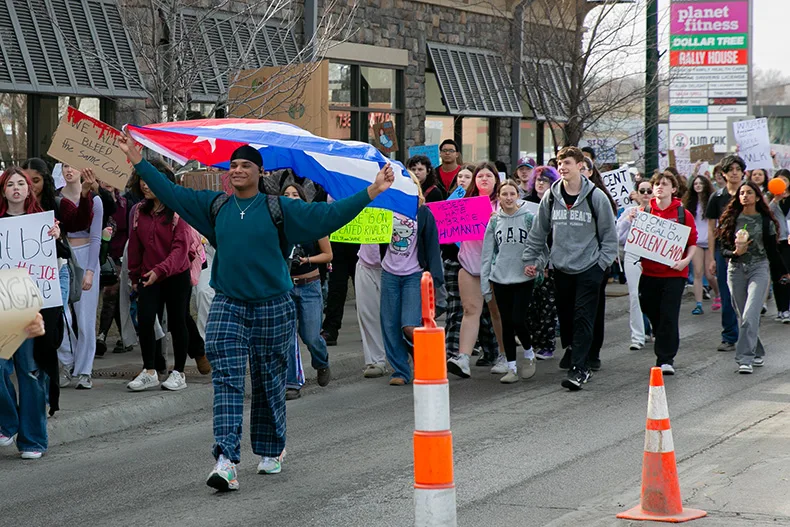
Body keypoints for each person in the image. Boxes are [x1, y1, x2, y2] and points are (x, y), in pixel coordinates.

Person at [119, 136, 395, 491]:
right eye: (233, 166)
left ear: (259, 172)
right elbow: (173, 194)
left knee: (268, 381)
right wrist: (141, 163)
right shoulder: (215, 206)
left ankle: (271, 449)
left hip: (273, 305)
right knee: (228, 381)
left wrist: (371, 192)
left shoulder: (280, 208)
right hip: (229, 305)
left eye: (244, 165)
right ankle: (225, 460)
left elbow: (328, 215)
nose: (236, 170)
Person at [523, 146, 618, 391]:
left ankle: (580, 369)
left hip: (589, 267)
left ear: (579, 165)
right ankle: (573, 349)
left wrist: (601, 265)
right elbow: (539, 231)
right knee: (565, 320)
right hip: (561, 268)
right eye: (559, 163)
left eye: (567, 163)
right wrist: (530, 259)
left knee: (583, 317)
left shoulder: (596, 197)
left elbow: (609, 237)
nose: (562, 167)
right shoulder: (551, 196)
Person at [0, 170, 60, 458]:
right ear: (3, 191)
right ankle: (8, 422)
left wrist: (56, 238)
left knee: (30, 371)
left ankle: (33, 440)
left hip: (30, 308)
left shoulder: (44, 224)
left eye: (20, 183)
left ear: (28, 190)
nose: (15, 188)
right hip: (2, 306)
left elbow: (57, 260)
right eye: (9, 184)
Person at [125, 165, 193, 392]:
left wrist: (160, 271)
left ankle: (179, 372)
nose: (145, 184)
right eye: (142, 179)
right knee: (145, 320)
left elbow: (180, 250)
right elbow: (134, 247)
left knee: (177, 321)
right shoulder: (137, 211)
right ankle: (150, 370)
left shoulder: (177, 209)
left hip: (176, 275)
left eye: (151, 179)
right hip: (147, 274)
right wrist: (134, 275)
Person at [629, 172, 697, 375]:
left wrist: (686, 260)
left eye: (664, 184)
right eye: (656, 184)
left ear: (673, 189)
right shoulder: (645, 211)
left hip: (674, 274)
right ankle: (662, 335)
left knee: (669, 315)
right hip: (649, 273)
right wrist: (633, 219)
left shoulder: (683, 214)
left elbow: (692, 242)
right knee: (649, 308)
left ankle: (665, 359)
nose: (659, 187)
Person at [379, 174, 444, 386]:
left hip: (414, 274)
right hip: (389, 272)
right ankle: (400, 370)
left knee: (409, 324)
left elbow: (433, 247)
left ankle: (426, 355)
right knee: (390, 325)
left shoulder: (424, 213)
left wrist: (435, 279)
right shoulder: (386, 210)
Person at [716, 181, 786, 373]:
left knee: (750, 314)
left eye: (749, 193)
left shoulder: (766, 221)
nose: (745, 196)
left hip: (759, 268)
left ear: (756, 197)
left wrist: (783, 272)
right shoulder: (730, 220)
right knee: (743, 316)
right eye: (741, 193)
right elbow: (723, 250)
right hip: (736, 269)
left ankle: (744, 358)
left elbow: (773, 251)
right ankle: (757, 351)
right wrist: (736, 252)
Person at [480, 180, 542, 383]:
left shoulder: (529, 219)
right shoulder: (494, 221)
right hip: (500, 278)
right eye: (504, 194)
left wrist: (536, 265)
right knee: (506, 323)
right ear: (498, 196)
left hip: (523, 277)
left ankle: (529, 352)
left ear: (518, 196)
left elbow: (542, 248)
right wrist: (484, 283)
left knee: (518, 319)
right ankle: (512, 368)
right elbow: (487, 254)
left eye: (512, 194)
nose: (508, 198)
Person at [447, 162, 505, 379]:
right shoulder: (464, 204)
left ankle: (504, 354)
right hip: (470, 265)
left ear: (495, 180)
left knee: (496, 312)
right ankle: (463, 357)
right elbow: (447, 228)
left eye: (488, 176)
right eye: (479, 176)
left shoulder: (503, 204)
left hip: (495, 268)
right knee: (470, 311)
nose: (483, 179)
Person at [282, 183, 332, 399]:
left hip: (310, 286)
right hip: (286, 286)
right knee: (288, 336)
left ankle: (322, 362)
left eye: (295, 194)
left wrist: (308, 260)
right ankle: (292, 382)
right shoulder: (279, 224)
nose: (291, 198)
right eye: (286, 195)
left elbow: (328, 255)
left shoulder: (313, 222)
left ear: (303, 198)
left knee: (310, 336)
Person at [57, 164, 104, 390]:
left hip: (85, 256)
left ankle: (85, 370)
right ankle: (68, 362)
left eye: (73, 166)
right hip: (64, 257)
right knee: (61, 314)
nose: (69, 170)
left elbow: (96, 238)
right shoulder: (56, 199)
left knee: (85, 318)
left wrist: (90, 271)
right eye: (65, 165)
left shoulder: (95, 201)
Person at [706, 155, 745, 352]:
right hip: (725, 252)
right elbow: (712, 229)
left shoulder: (749, 194)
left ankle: (749, 335)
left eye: (738, 169)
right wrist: (712, 257)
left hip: (748, 252)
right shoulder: (717, 197)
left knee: (746, 297)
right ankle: (729, 336)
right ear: (724, 173)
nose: (735, 172)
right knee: (727, 294)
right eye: (731, 169)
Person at [524, 166, 560, 359]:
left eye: (544, 180)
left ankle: (547, 344)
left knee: (547, 306)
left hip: (549, 261)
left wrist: (546, 264)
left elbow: (554, 237)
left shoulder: (555, 203)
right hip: (529, 260)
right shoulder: (526, 203)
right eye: (537, 179)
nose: (540, 183)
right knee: (530, 306)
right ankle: (534, 342)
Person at [617, 179, 654, 350]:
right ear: (637, 194)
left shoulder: (659, 212)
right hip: (633, 254)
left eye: (649, 191)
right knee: (634, 295)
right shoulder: (629, 211)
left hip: (654, 257)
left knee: (655, 295)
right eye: (642, 191)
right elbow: (617, 237)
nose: (646, 194)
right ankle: (637, 336)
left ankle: (656, 330)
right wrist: (627, 221)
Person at [96, 181, 131, 355]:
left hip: (120, 258)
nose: (107, 181)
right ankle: (126, 337)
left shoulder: (125, 205)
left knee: (111, 293)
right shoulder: (95, 202)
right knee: (115, 299)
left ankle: (101, 336)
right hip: (99, 257)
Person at [684, 175, 720, 315]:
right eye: (695, 183)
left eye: (700, 183)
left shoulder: (712, 200)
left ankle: (718, 294)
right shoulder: (689, 203)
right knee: (697, 273)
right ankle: (698, 304)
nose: (698, 186)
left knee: (710, 274)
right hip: (696, 242)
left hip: (710, 240)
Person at [770, 170, 790, 322]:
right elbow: (767, 214)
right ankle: (781, 309)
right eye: (779, 180)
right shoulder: (770, 200)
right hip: (778, 241)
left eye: (785, 180)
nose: (782, 183)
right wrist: (775, 199)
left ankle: (787, 307)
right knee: (778, 276)